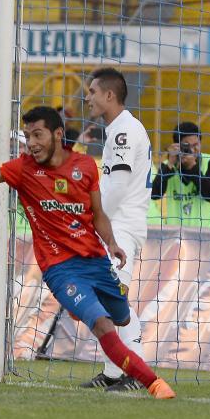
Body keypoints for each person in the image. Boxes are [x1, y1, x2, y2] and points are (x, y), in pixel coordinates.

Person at [0, 107, 175, 399]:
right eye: (27, 136)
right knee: (102, 324)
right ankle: (153, 383)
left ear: (58, 134)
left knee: (122, 317)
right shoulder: (22, 169)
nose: (31, 143)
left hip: (96, 261)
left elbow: (97, 213)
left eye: (37, 135)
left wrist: (111, 242)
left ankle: (108, 347)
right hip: (60, 269)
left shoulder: (84, 166)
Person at [79, 67, 152, 391]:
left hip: (122, 225)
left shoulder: (124, 131)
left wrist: (96, 220)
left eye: (92, 91)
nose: (87, 97)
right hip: (117, 223)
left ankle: (135, 373)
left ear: (110, 95)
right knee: (109, 301)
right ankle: (113, 372)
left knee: (116, 301)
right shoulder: (117, 130)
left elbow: (119, 186)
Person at [151, 121, 210, 228]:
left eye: (196, 145)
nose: (192, 150)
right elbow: (155, 194)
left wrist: (193, 167)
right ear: (177, 146)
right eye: (187, 146)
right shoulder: (168, 166)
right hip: (176, 235)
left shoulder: (209, 161)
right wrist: (170, 164)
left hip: (204, 233)